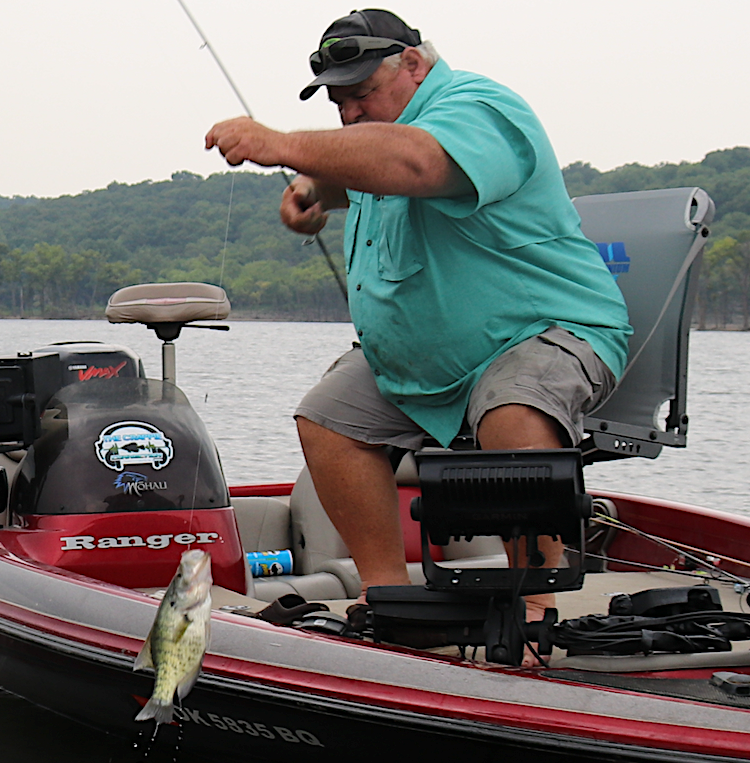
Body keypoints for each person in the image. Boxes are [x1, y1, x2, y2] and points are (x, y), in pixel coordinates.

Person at [203, 9, 632, 635]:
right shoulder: (387, 133)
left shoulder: (479, 109)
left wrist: (282, 143)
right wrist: (314, 190)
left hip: (547, 333)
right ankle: (389, 600)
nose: (350, 113)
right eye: (338, 101)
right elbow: (368, 171)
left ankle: (534, 605)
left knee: (513, 410)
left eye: (362, 94)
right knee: (328, 420)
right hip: (432, 362)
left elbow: (417, 165)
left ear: (414, 64)